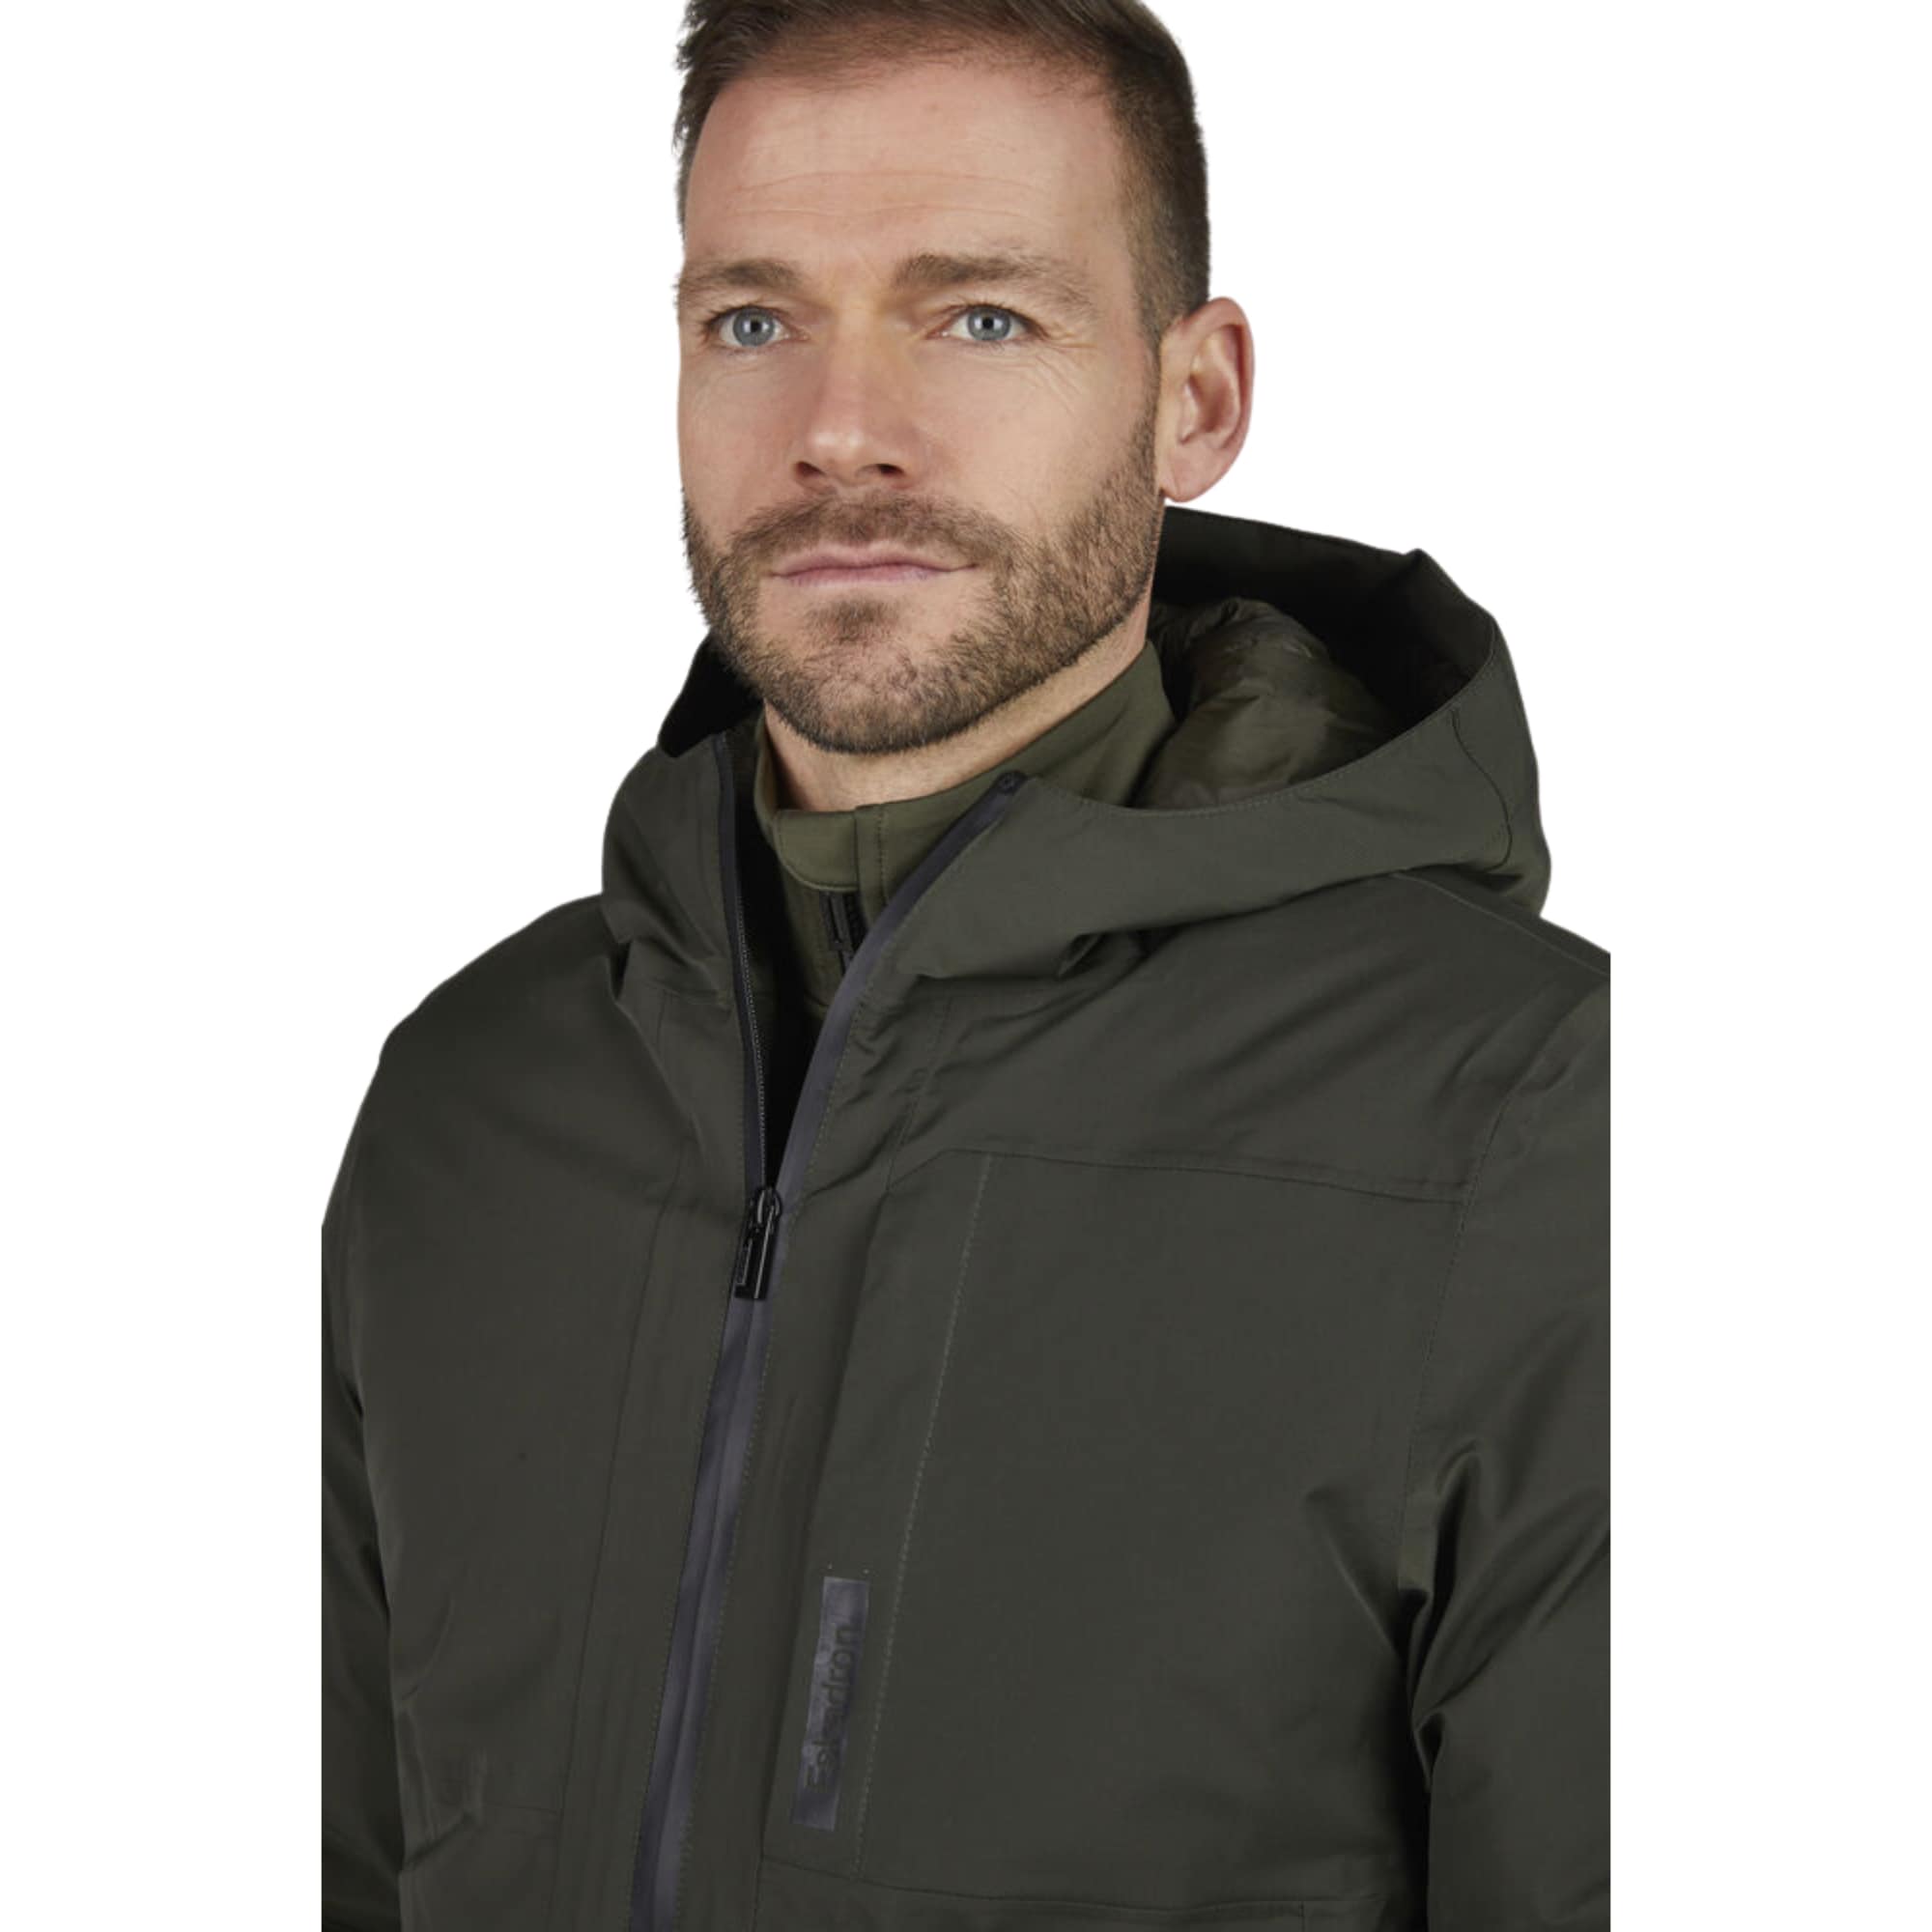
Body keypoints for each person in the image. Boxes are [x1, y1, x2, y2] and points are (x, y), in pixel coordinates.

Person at [321, 3, 1610, 1927]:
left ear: (1194, 400)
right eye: (752, 320)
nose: (841, 427)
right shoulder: (468, 1106)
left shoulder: (1530, 1118)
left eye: (981, 317)